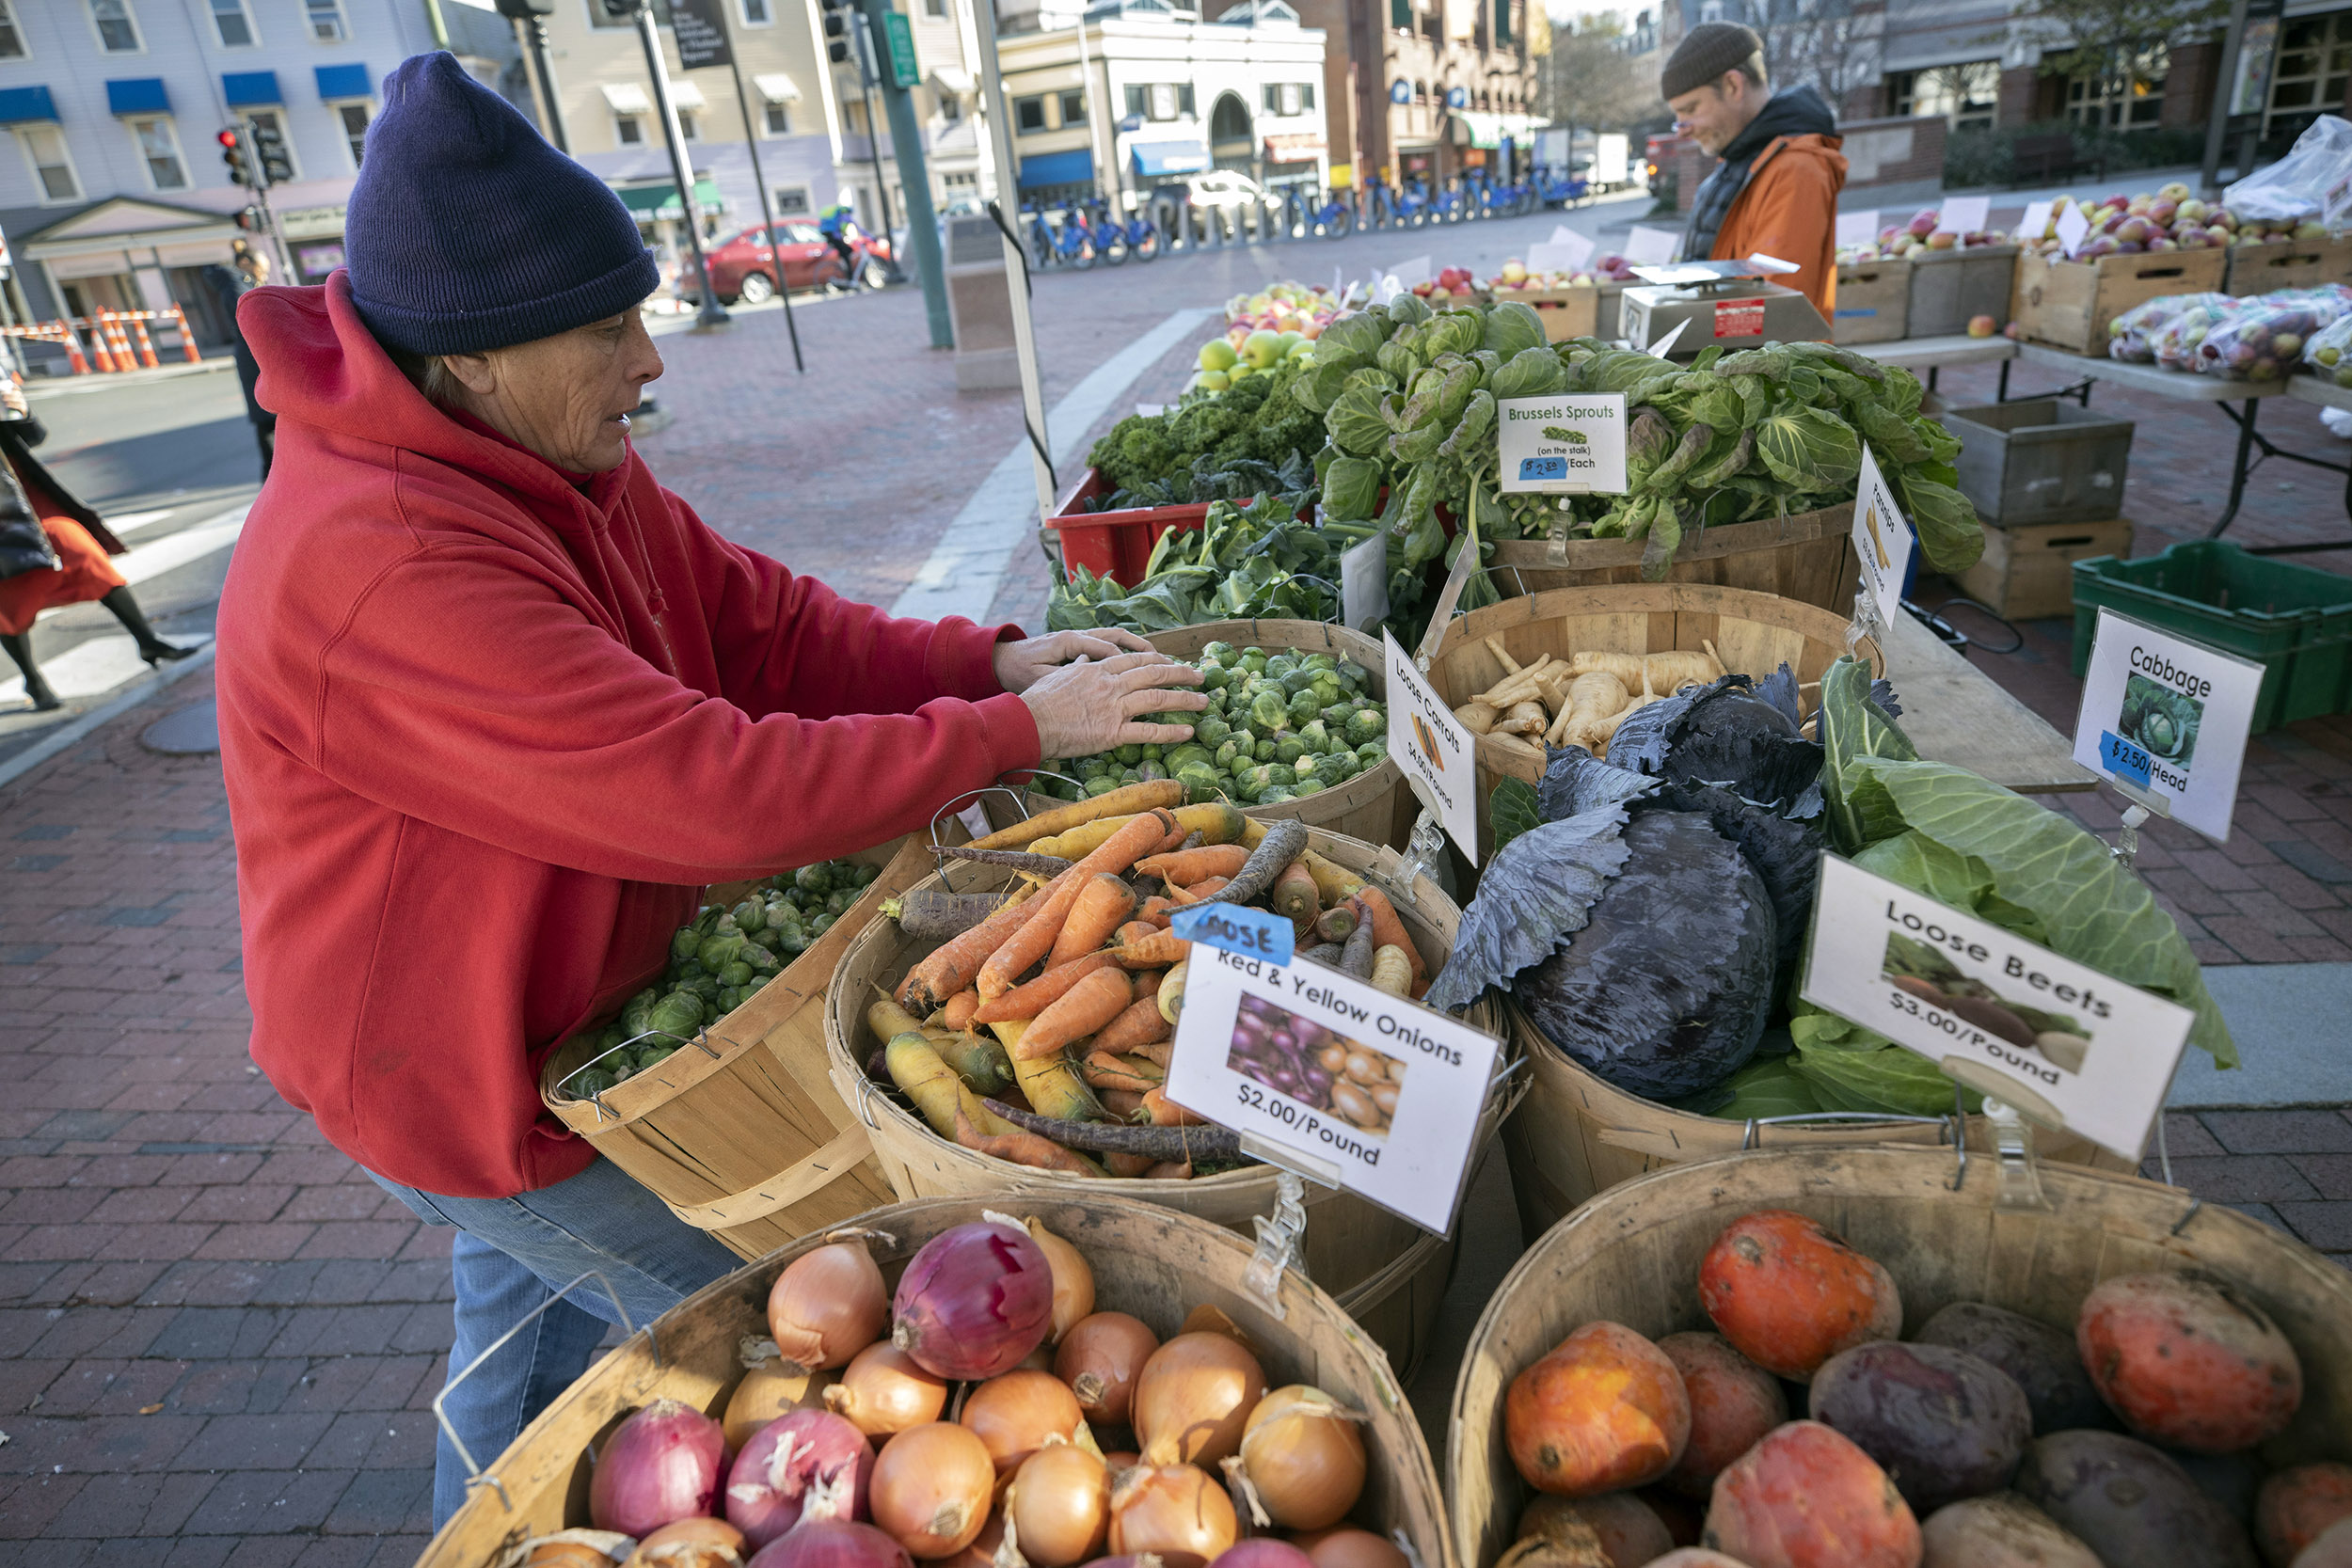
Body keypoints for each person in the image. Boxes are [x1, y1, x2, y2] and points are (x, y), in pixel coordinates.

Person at [214, 51, 1205, 1527]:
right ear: (476, 352)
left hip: (554, 1027)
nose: (652, 360)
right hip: (456, 1059)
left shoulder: (544, 450)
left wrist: (990, 661)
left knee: (522, 1359)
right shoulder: (385, 559)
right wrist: (1021, 735)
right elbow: (706, 788)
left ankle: (469, 1530)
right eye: (611, 328)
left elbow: (763, 626)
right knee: (781, 1334)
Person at [0, 375, 194, 711]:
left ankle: (147, 641)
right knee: (9, 596)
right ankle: (33, 679)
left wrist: (23, 411)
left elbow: (33, 437)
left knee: (85, 554)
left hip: (29, 502)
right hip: (6, 519)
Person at [1662, 23, 1847, 320]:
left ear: (1733, 86)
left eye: (1691, 109)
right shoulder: (1743, 158)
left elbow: (1773, 309)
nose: (1682, 131)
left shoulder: (1795, 168)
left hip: (1758, 365)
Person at [203, 241, 277, 479]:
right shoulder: (237, 284)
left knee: (269, 422)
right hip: (254, 358)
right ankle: (271, 480)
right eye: (261, 267)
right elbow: (249, 318)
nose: (264, 273)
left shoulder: (241, 283)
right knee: (268, 421)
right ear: (245, 263)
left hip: (254, 357)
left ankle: (272, 479)